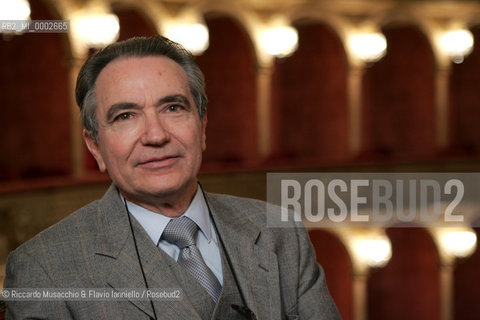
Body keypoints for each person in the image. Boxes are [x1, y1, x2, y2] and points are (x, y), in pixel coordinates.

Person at [3, 36, 340, 320]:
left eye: (173, 108)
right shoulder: (43, 268)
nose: (155, 135)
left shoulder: (281, 233)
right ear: (95, 147)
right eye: (125, 116)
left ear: (203, 125)